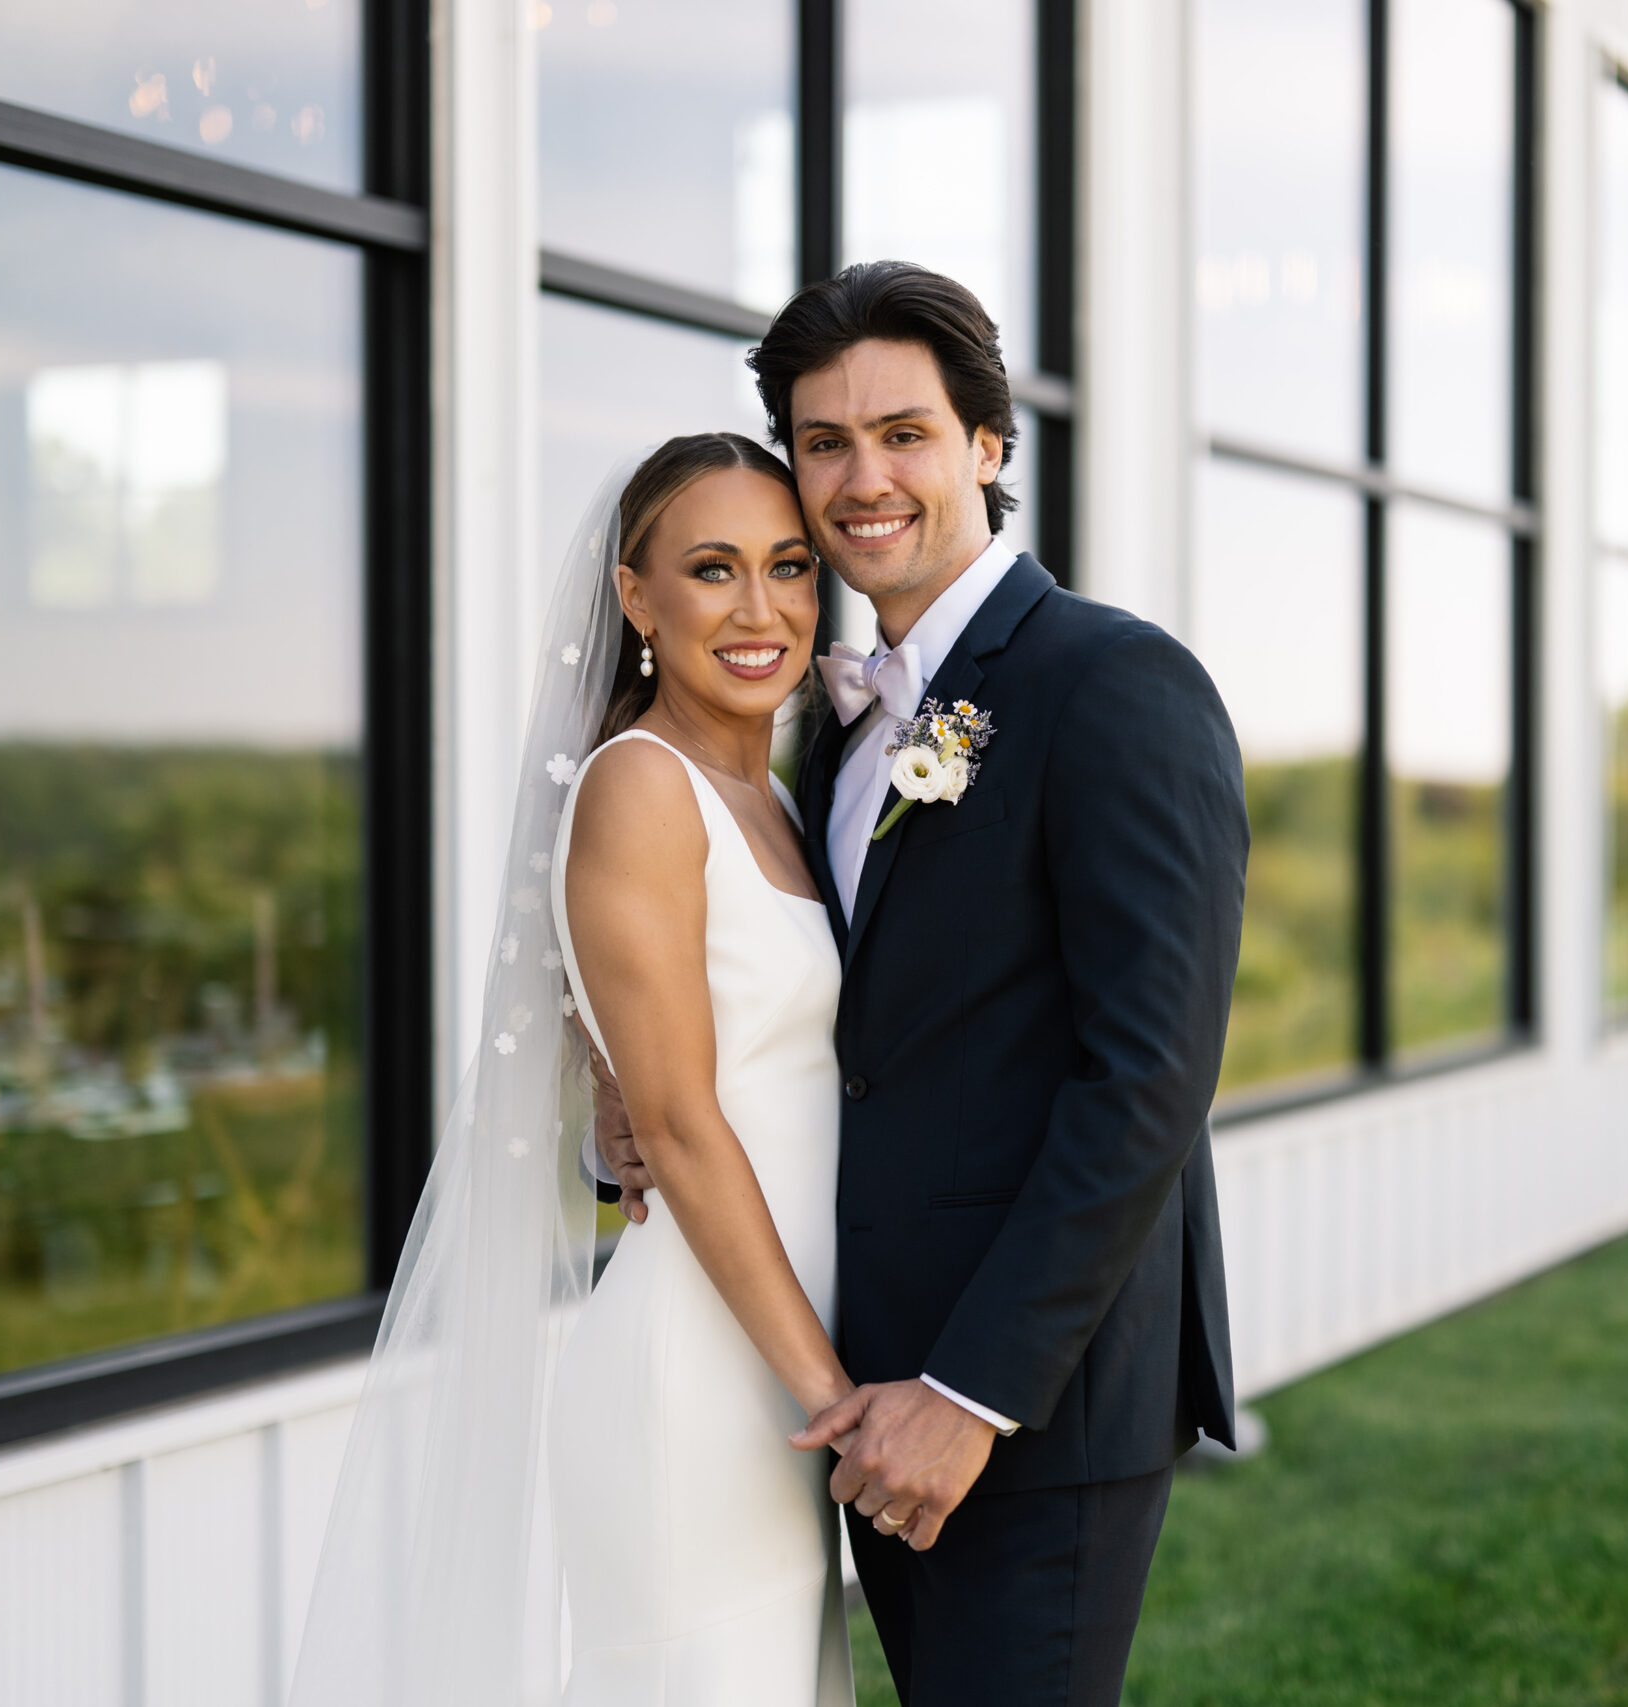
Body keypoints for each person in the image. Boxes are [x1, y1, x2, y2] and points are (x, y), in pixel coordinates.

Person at [598, 262, 1248, 1707]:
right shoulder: (823, 732)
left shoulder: (1115, 685)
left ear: (989, 449)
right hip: (852, 1381)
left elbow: (1146, 1076)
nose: (861, 476)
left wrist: (972, 1393)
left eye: (904, 432)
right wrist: (627, 1102)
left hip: (1023, 1397)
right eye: (823, 441)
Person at [286, 432, 861, 1707]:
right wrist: (832, 1397)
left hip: (777, 1356)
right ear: (634, 596)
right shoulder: (641, 789)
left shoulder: (775, 797)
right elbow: (679, 1121)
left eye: (789, 567)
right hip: (704, 1371)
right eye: (713, 570)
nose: (761, 610)